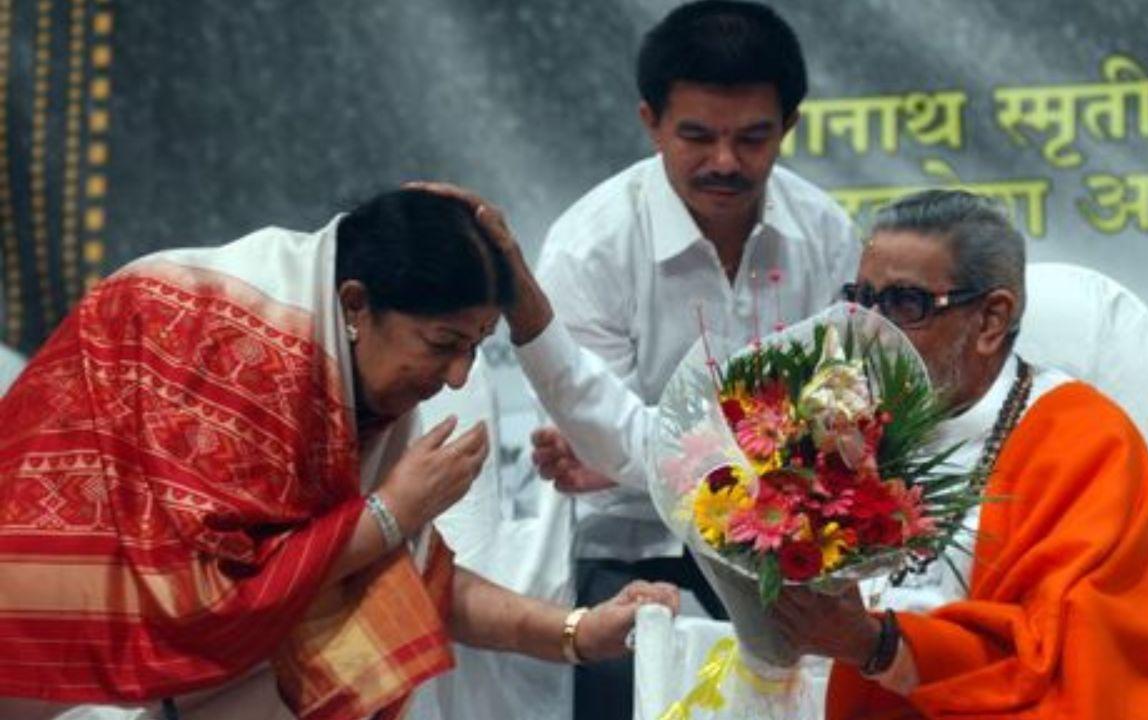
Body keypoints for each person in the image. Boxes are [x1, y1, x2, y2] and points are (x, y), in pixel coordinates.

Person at [0, 188, 678, 719]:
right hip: (57, 652)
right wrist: (388, 514)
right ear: (358, 305)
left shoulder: (343, 372)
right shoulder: (243, 355)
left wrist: (578, 633)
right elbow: (202, 600)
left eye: (476, 347)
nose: (459, 378)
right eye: (443, 345)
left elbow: (401, 576)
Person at [764, 190, 1148, 718]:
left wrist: (878, 645)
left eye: (905, 304)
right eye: (863, 301)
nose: (871, 331)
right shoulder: (833, 424)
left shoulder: (1083, 441)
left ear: (990, 321)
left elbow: (1069, 657)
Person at [527, 2, 859, 715]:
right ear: (650, 122)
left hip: (788, 546)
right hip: (634, 546)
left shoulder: (827, 232)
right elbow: (609, 447)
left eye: (753, 138)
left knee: (851, 682)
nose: (725, 163)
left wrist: (645, 450)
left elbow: (839, 420)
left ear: (789, 127)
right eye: (698, 136)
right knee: (634, 686)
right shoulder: (588, 249)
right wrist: (635, 455)